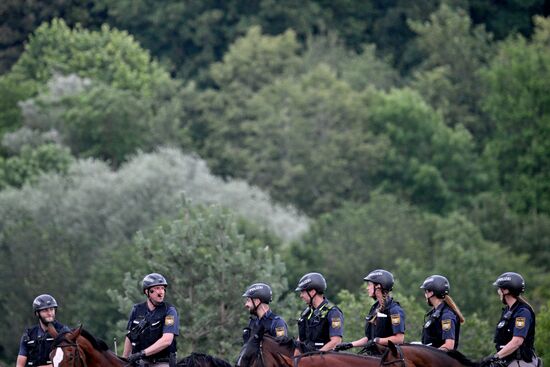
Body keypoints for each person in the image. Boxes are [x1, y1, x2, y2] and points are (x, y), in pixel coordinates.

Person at [335, 269, 405, 355]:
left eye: (369, 285)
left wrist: (376, 341)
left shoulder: (394, 310)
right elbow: (369, 339)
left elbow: (399, 339)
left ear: (378, 286)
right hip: (373, 356)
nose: (367, 288)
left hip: (387, 358)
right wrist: (350, 345)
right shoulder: (374, 308)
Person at [482, 272, 542, 367]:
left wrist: (496, 356)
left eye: (499, 288)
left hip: (520, 362)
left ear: (505, 290)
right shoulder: (508, 311)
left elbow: (517, 341)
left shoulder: (522, 312)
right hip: (507, 360)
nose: (498, 292)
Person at [123, 273, 179, 367]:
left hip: (161, 363)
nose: (161, 292)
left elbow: (167, 340)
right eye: (157, 288)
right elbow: (130, 336)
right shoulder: (137, 309)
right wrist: (124, 359)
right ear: (147, 291)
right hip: (139, 362)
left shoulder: (169, 311)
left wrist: (142, 353)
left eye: (162, 288)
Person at [16, 294, 71, 367]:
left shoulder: (64, 332)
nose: (49, 313)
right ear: (37, 313)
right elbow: (20, 364)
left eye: (51, 309)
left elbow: (67, 362)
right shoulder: (28, 335)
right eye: (45, 310)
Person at [295, 272, 344, 351]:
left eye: (303, 292)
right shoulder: (306, 313)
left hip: (325, 360)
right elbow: (300, 341)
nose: (301, 296)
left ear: (312, 292)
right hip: (307, 359)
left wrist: (316, 356)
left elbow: (336, 341)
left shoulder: (333, 312)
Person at [420, 275, 465, 351]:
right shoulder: (435, 313)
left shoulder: (446, 316)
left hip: (441, 361)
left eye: (426, 291)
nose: (425, 294)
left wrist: (429, 354)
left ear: (431, 293)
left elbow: (449, 345)